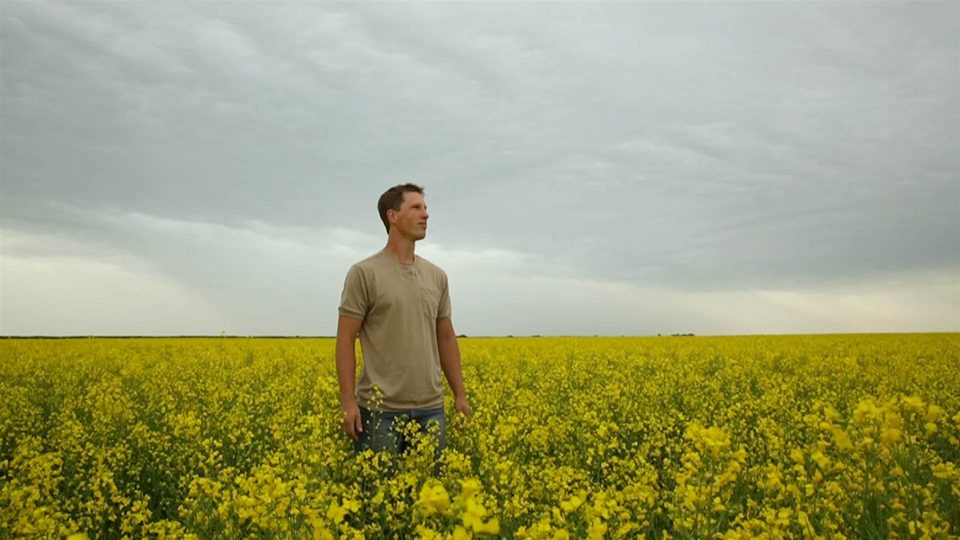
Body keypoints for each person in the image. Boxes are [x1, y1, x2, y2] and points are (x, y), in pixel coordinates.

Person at [336, 183, 471, 461]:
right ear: (392, 216)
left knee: (431, 499)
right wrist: (349, 402)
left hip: (431, 409)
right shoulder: (364, 273)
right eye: (416, 207)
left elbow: (445, 336)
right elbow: (345, 339)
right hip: (379, 412)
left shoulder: (437, 276)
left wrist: (460, 394)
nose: (426, 214)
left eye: (425, 207)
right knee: (378, 498)